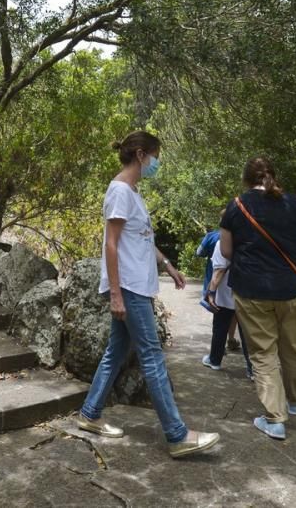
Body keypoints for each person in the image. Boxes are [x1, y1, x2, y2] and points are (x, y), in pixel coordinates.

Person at [77, 131, 220, 458]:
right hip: (129, 287)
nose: (157, 163)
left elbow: (139, 239)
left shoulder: (132, 193)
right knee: (152, 357)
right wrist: (115, 293)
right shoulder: (120, 192)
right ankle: (177, 434)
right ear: (141, 155)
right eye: (155, 156)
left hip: (136, 284)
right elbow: (111, 244)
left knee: (117, 350)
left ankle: (89, 413)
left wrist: (168, 265)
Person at [219, 156, 296, 441]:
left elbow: (225, 251)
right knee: (295, 347)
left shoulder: (236, 206)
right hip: (291, 288)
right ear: (273, 175)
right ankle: (295, 402)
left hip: (251, 290)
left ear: (246, 179)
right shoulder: (295, 204)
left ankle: (275, 418)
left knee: (263, 354)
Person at [201, 239, 253, 379]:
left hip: (226, 294)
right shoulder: (252, 239)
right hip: (249, 294)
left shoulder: (223, 242)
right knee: (248, 332)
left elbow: (219, 270)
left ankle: (214, 360)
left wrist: (211, 291)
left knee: (220, 327)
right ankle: (253, 368)